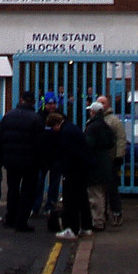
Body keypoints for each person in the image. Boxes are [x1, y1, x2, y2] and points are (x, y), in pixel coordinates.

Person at [0, 89, 43, 232]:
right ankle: (21, 221)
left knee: (13, 190)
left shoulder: (8, 116)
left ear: (21, 99)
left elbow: (0, 139)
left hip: (11, 161)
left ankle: (10, 217)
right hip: (30, 162)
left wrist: (3, 158)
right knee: (27, 191)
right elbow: (40, 143)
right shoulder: (36, 119)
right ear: (33, 102)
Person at [49, 111, 93, 241]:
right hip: (83, 168)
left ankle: (71, 229)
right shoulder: (72, 128)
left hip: (73, 170)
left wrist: (64, 170)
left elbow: (68, 153)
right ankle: (86, 227)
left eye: (53, 128)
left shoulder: (65, 133)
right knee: (82, 198)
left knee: (70, 200)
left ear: (56, 125)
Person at [84, 101, 115, 231]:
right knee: (102, 193)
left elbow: (87, 145)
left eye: (90, 111)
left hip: (94, 164)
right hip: (105, 162)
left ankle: (97, 221)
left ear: (93, 112)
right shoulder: (106, 126)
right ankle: (101, 217)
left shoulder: (92, 127)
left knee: (95, 195)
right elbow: (111, 142)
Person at [32, 92, 63, 217]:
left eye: (54, 103)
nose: (52, 106)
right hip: (42, 157)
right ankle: (35, 207)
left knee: (54, 184)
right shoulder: (38, 117)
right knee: (39, 183)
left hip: (56, 156)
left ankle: (50, 205)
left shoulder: (61, 117)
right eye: (50, 103)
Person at [98, 95, 126, 226]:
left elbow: (121, 138)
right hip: (99, 160)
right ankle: (102, 213)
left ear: (108, 105)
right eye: (98, 103)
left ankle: (116, 212)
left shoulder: (114, 121)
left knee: (111, 188)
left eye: (103, 103)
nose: (101, 105)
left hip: (110, 159)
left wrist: (119, 156)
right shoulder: (95, 120)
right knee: (99, 189)